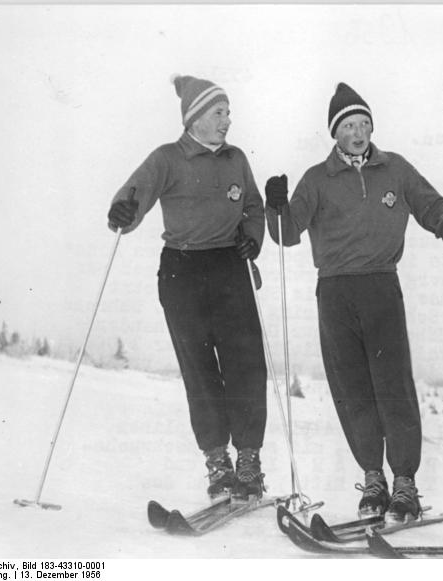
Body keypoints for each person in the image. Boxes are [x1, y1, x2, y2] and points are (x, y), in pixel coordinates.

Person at [263, 83, 443, 523]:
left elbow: (431, 205)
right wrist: (275, 207)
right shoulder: (318, 179)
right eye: (349, 126)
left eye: (364, 124)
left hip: (380, 288)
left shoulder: (395, 169)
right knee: (352, 388)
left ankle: (405, 483)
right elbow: (286, 233)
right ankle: (373, 478)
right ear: (334, 133)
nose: (358, 133)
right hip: (335, 291)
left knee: (393, 384)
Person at [106, 75, 268, 503]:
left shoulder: (236, 160)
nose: (227, 120)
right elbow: (134, 193)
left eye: (228, 112)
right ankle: (218, 463)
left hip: (230, 267)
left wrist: (253, 235)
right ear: (195, 117)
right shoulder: (168, 158)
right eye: (219, 113)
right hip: (182, 269)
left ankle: (249, 460)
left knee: (246, 363)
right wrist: (124, 208)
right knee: (199, 368)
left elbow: (253, 205)